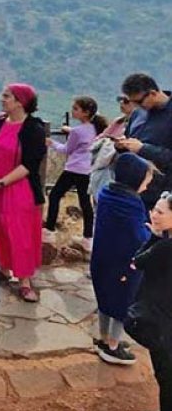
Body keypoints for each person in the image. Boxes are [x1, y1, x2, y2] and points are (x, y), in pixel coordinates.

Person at [0, 83, 47, 303]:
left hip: (18, 188)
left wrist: (2, 182)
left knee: (20, 233)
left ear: (20, 101)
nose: (2, 99)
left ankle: (24, 280)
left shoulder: (33, 128)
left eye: (6, 96)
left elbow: (29, 164)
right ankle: (4, 268)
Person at [90, 153, 151, 366]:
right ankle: (113, 347)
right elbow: (138, 236)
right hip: (123, 264)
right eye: (146, 180)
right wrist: (150, 232)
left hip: (102, 259)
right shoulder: (131, 203)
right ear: (135, 179)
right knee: (120, 305)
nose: (147, 185)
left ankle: (103, 339)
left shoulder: (106, 192)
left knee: (105, 301)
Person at [128, 191, 172, 411]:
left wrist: (153, 238)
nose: (153, 214)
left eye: (161, 211)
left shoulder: (165, 246)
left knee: (166, 373)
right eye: (154, 209)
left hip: (163, 319)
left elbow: (136, 261)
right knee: (165, 371)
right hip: (166, 315)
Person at [44, 96, 108, 251]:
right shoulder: (96, 128)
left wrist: (51, 142)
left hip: (73, 169)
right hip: (88, 170)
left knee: (54, 195)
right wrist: (70, 130)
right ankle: (88, 238)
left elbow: (66, 149)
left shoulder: (78, 131)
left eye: (76, 108)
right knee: (86, 203)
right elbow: (82, 137)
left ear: (85, 113)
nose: (72, 111)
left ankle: (49, 230)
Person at [117, 74, 172, 208]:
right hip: (135, 192)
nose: (136, 106)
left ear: (152, 93)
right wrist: (121, 145)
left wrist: (143, 148)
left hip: (164, 197)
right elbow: (130, 139)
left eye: (139, 101)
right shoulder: (137, 114)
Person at [89, 95, 139, 205]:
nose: (122, 104)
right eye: (120, 101)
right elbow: (100, 137)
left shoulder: (139, 124)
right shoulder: (118, 122)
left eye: (126, 101)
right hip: (106, 165)